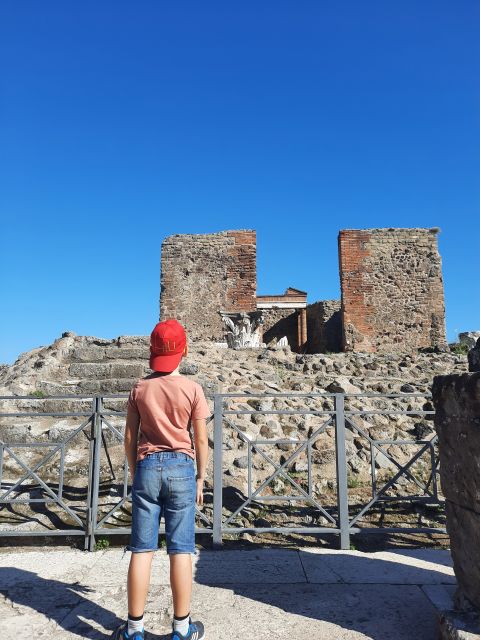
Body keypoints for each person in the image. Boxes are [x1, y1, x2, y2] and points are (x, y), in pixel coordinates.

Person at [112, 319, 209, 640]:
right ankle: (182, 629)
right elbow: (201, 440)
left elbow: (129, 437)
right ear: (184, 349)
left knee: (141, 550)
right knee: (181, 550)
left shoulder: (139, 388)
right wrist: (200, 478)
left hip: (147, 468)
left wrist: (133, 469)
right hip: (182, 468)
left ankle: (134, 629)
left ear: (152, 352)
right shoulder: (193, 389)